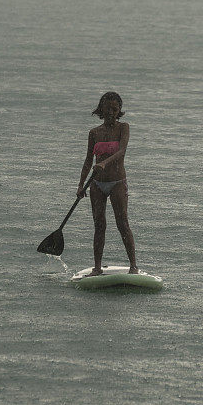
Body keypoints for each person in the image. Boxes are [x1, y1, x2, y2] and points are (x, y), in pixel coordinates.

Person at [77, 91, 138, 276]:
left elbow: (121, 151)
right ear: (101, 109)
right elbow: (88, 160)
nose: (111, 112)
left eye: (114, 109)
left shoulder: (123, 128)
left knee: (122, 223)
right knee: (99, 225)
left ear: (119, 110)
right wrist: (80, 186)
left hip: (117, 183)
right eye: (107, 108)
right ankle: (97, 267)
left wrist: (104, 162)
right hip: (96, 185)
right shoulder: (94, 133)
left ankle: (133, 266)